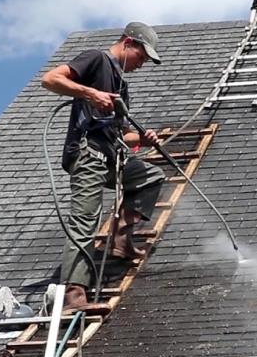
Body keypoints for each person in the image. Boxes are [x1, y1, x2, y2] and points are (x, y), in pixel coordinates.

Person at [41, 21, 165, 313]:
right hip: (88, 155)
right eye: (141, 57)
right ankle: (74, 295)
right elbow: (50, 79)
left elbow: (121, 134)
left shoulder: (121, 85)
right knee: (85, 221)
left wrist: (144, 140)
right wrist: (90, 93)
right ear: (127, 43)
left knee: (149, 176)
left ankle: (122, 238)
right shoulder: (96, 59)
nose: (142, 64)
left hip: (110, 156)